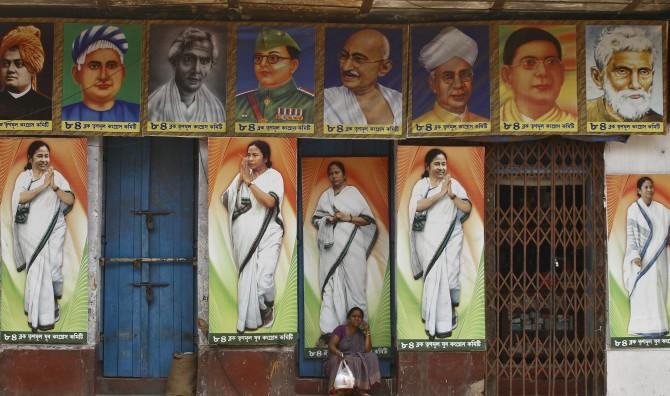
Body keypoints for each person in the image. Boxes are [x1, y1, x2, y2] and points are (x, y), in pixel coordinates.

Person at [221, 140, 284, 332]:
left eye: (255, 155)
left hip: (269, 233)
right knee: (249, 280)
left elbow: (270, 202)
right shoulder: (241, 177)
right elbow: (226, 200)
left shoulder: (274, 176)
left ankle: (268, 306)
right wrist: (240, 181)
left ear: (265, 158)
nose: (250, 158)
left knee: (264, 280)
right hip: (245, 237)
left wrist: (248, 182)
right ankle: (252, 320)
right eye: (248, 155)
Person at [11, 140, 75, 331]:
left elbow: (70, 199)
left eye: (46, 156)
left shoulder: (56, 176)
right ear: (30, 159)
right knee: (39, 268)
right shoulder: (24, 177)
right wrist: (43, 186)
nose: (44, 159)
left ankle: (49, 303)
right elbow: (20, 198)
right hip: (29, 232)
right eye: (39, 156)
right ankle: (41, 317)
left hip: (53, 229)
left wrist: (54, 187)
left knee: (54, 268)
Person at [409, 148, 471, 338]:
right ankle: (433, 321)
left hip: (450, 238)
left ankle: (446, 318)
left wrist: (452, 195)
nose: (441, 167)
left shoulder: (454, 185)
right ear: (427, 167)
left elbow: (467, 207)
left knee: (450, 276)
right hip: (427, 240)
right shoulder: (421, 185)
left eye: (444, 163)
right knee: (434, 278)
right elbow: (416, 206)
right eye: (437, 163)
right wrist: (441, 193)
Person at [312, 161, 377, 340]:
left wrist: (346, 217)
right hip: (330, 251)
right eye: (331, 173)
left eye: (337, 173)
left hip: (352, 249)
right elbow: (316, 219)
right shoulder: (325, 196)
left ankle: (358, 331)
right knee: (331, 289)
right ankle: (330, 331)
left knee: (355, 288)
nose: (334, 176)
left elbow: (367, 220)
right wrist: (327, 220)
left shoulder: (353, 193)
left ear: (344, 175)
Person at [623, 176, 670, 337]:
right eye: (646, 187)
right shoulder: (633, 209)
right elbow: (631, 234)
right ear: (638, 190)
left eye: (651, 187)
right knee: (642, 292)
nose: (650, 190)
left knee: (658, 290)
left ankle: (659, 327)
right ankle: (640, 327)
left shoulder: (662, 210)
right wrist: (635, 255)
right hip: (642, 260)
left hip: (659, 259)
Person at [323, 29, 401, 126]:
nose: (346, 67)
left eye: (358, 59)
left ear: (384, 68)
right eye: (344, 56)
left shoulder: (399, 101)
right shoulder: (325, 99)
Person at [62, 25, 140, 122]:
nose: (103, 76)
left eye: (111, 66)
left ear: (123, 72)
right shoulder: (63, 116)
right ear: (76, 74)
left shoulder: (139, 114)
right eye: (94, 66)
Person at [236, 28, 314, 123]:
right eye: (258, 58)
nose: (263, 63)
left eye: (273, 58)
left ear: (293, 65)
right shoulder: (238, 103)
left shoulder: (311, 104)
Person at [148, 27, 226, 123]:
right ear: (175, 61)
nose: (196, 69)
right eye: (188, 59)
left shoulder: (216, 108)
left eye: (204, 61)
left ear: (211, 65)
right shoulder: (153, 105)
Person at [500, 27, 576, 123]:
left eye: (551, 62)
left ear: (562, 73)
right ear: (507, 75)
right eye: (529, 62)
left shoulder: (572, 123)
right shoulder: (492, 122)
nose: (543, 72)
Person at [587, 26, 662, 122]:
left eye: (644, 72)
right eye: (622, 71)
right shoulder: (582, 116)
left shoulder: (660, 122)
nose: (635, 85)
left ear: (652, 76)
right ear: (598, 77)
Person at [413, 27, 487, 124]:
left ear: (472, 78)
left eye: (464, 75)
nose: (458, 85)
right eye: (448, 76)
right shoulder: (418, 126)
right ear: (432, 83)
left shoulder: (485, 124)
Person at [325, 307, 381, 396]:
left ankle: (362, 389)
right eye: (354, 316)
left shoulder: (360, 333)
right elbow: (331, 345)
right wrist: (338, 352)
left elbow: (367, 350)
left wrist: (367, 331)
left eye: (359, 317)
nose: (356, 318)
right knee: (350, 360)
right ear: (348, 318)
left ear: (362, 320)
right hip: (338, 358)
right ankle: (337, 390)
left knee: (371, 356)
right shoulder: (341, 329)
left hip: (355, 358)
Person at [0, 25, 51, 120]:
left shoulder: (49, 107)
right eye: (5, 64)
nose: (10, 69)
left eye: (19, 64)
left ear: (32, 68)